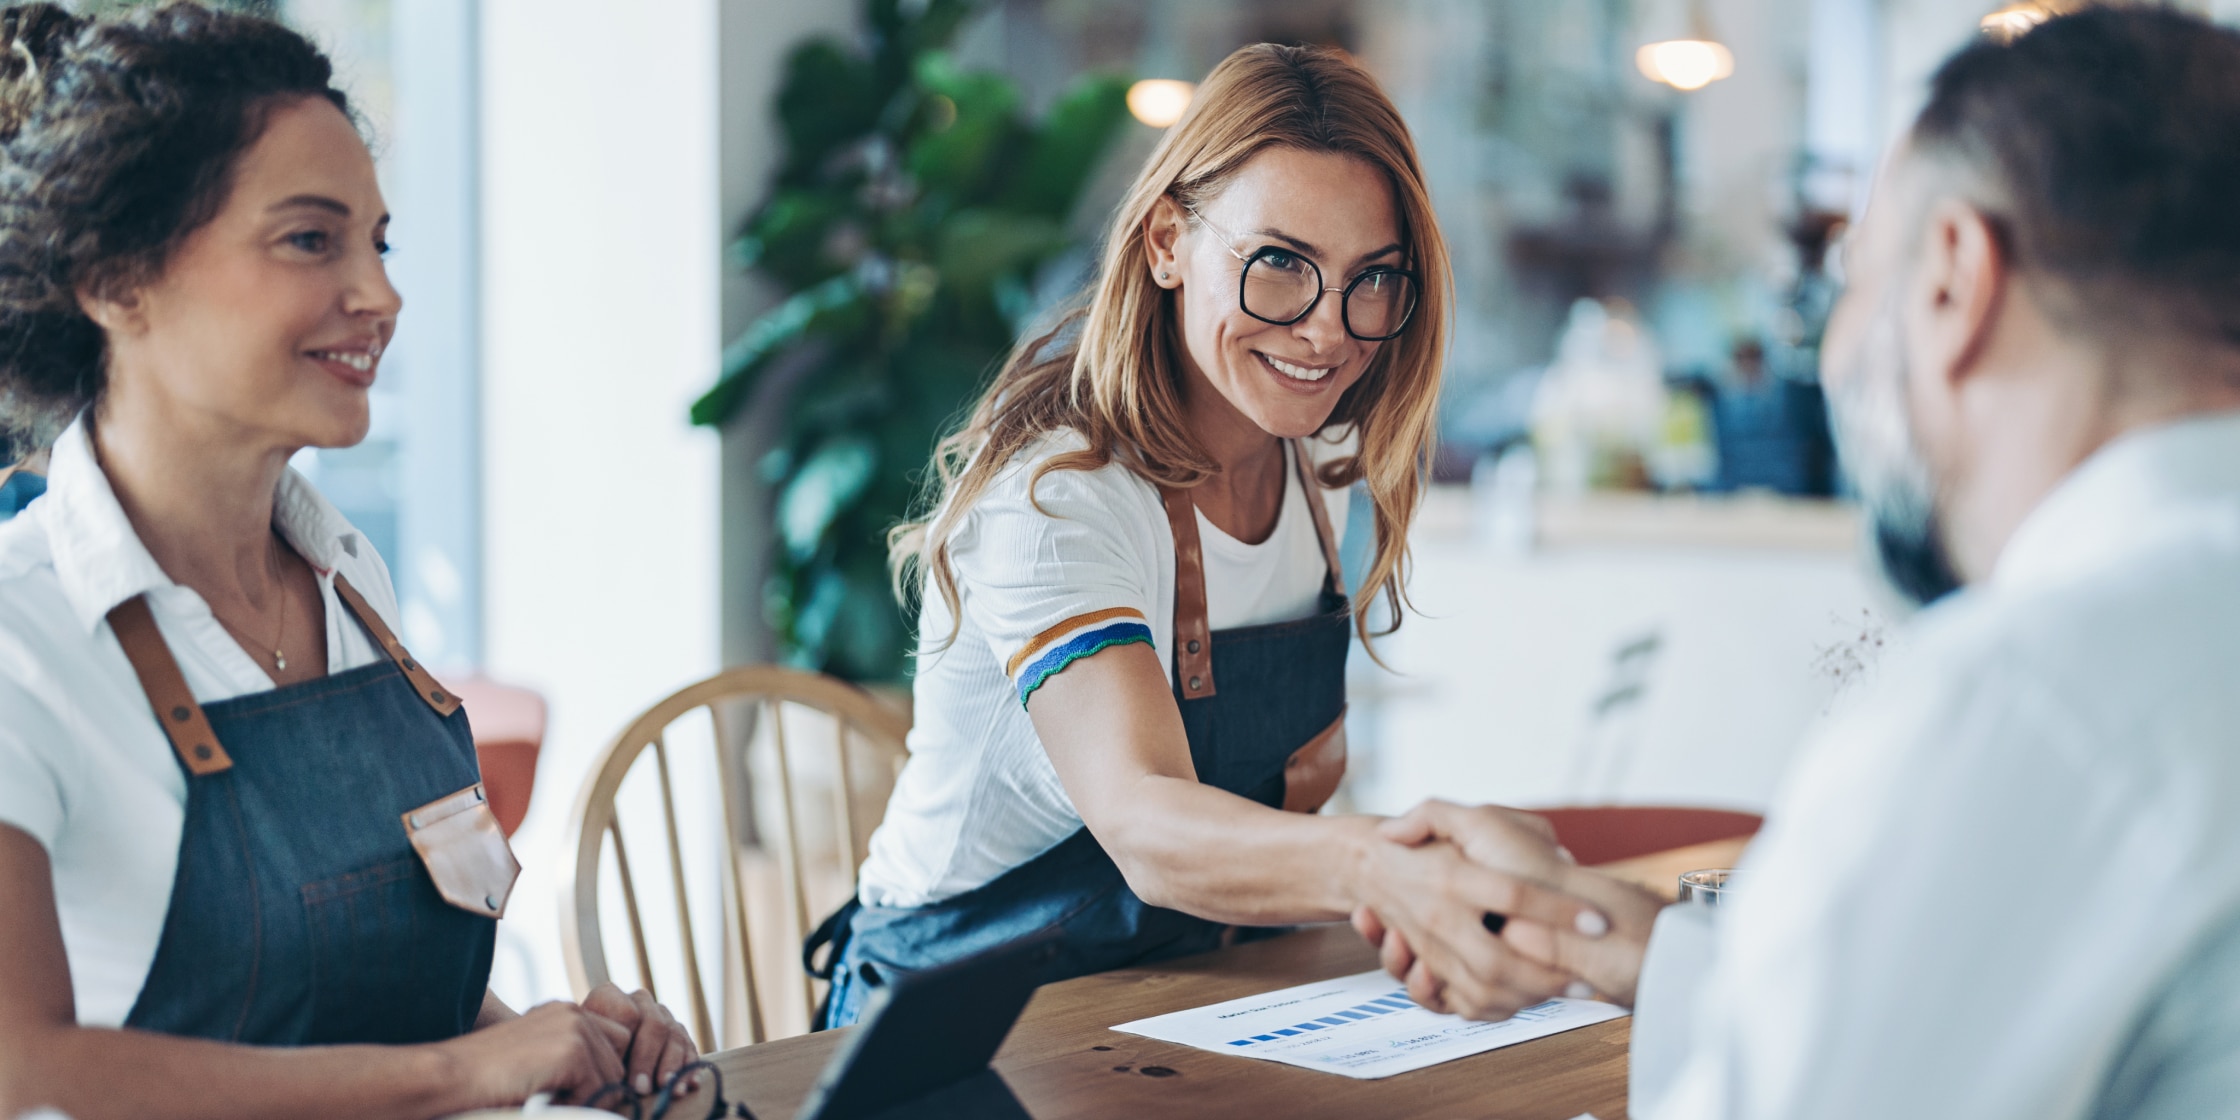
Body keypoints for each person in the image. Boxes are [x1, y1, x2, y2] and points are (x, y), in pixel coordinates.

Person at [1354, 7, 2240, 1117]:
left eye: (1852, 279)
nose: (1830, 346)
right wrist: (1597, 928)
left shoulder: (2022, 695)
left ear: (1952, 281)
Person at [0, 6, 696, 1116]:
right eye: (310, 239)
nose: (380, 295)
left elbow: (365, 1001)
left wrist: (560, 1048)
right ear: (115, 279)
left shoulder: (349, 581)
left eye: (380, 241)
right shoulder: (21, 639)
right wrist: (462, 1073)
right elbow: (21, 1068)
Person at [808, 42, 1586, 1028]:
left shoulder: (1317, 463)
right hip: (949, 1022)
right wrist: (1391, 867)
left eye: (1371, 280)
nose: (1325, 332)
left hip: (1182, 991)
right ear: (1166, 241)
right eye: (1277, 266)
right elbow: (1143, 820)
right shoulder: (1058, 498)